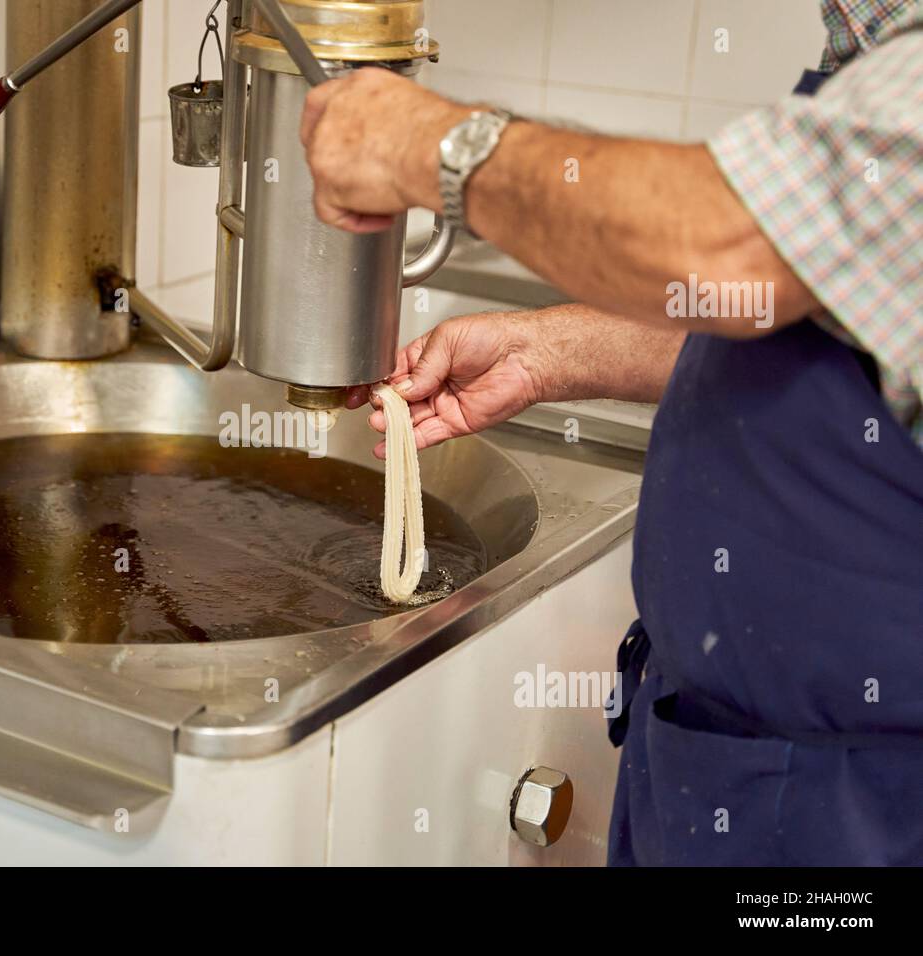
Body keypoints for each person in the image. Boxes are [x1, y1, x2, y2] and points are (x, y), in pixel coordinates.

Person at [300, 0, 923, 865]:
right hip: (726, 762)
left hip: (864, 811)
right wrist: (554, 350)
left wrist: (430, 147)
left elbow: (736, 241)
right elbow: (835, 300)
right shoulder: (870, 46)